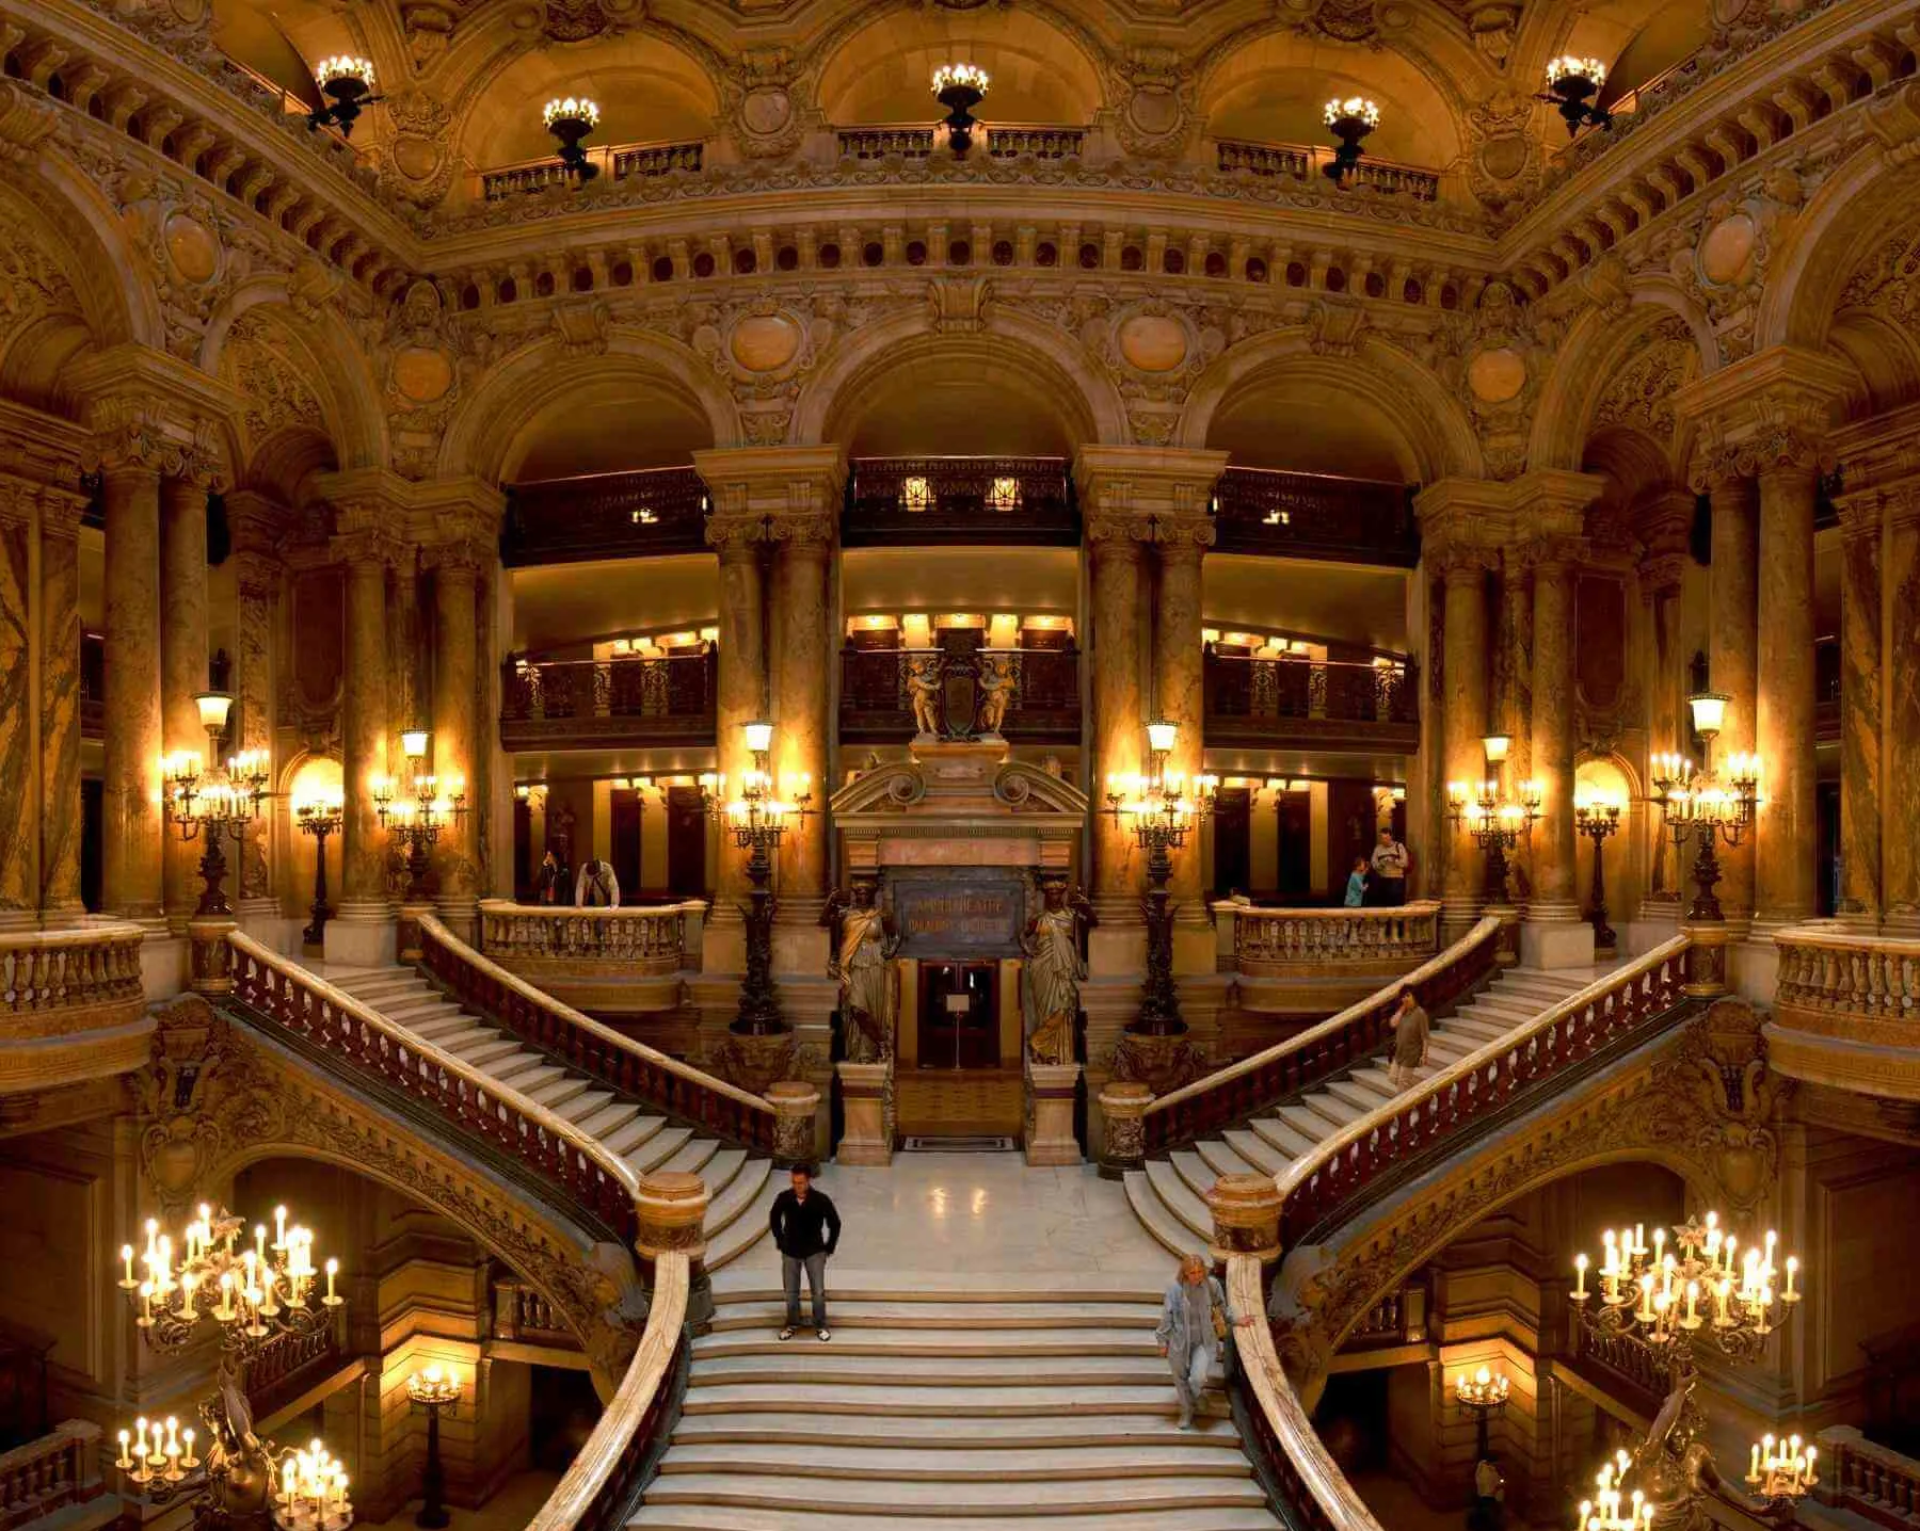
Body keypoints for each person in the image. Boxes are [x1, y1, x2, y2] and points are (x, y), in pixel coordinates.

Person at [1155, 1253, 1253, 1430]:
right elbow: (1166, 1316)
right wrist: (1162, 1341)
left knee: (1197, 1378)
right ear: (1184, 1273)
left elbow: (1222, 1307)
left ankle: (1195, 1396)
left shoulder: (1212, 1285)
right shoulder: (1175, 1289)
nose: (1197, 1276)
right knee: (1180, 1379)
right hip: (1179, 1342)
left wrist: (1236, 1320)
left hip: (1204, 1341)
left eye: (1200, 1271)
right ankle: (1187, 1411)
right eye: (1192, 1273)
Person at [769, 1164, 840, 1342]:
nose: (797, 1186)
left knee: (818, 1291)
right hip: (790, 1251)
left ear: (808, 1181)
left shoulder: (821, 1200)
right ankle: (793, 1323)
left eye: (800, 1182)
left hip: (814, 1251)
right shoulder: (784, 1197)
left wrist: (828, 1247)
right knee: (791, 1291)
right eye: (794, 1182)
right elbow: (774, 1218)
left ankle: (820, 1325)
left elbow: (835, 1223)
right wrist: (780, 1240)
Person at [1388, 989, 1429, 1090]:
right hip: (1399, 1051)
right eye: (1403, 996)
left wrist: (1424, 1055)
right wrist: (1401, 1010)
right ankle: (1415, 1092)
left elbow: (1425, 1037)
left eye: (1407, 995)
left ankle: (1402, 1103)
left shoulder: (1420, 1013)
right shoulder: (1402, 1012)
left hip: (1412, 1053)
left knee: (1402, 1083)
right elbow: (1393, 1024)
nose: (1404, 998)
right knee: (1392, 1078)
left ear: (1414, 996)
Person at [1370, 827, 1410, 906]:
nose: (1384, 840)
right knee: (1384, 903)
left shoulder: (1399, 846)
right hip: (1383, 879)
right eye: (1382, 838)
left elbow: (1405, 863)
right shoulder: (1378, 848)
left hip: (1396, 879)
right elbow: (1374, 864)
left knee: (1395, 902)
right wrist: (1381, 864)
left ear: (1391, 837)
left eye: (1386, 838)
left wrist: (1394, 861)